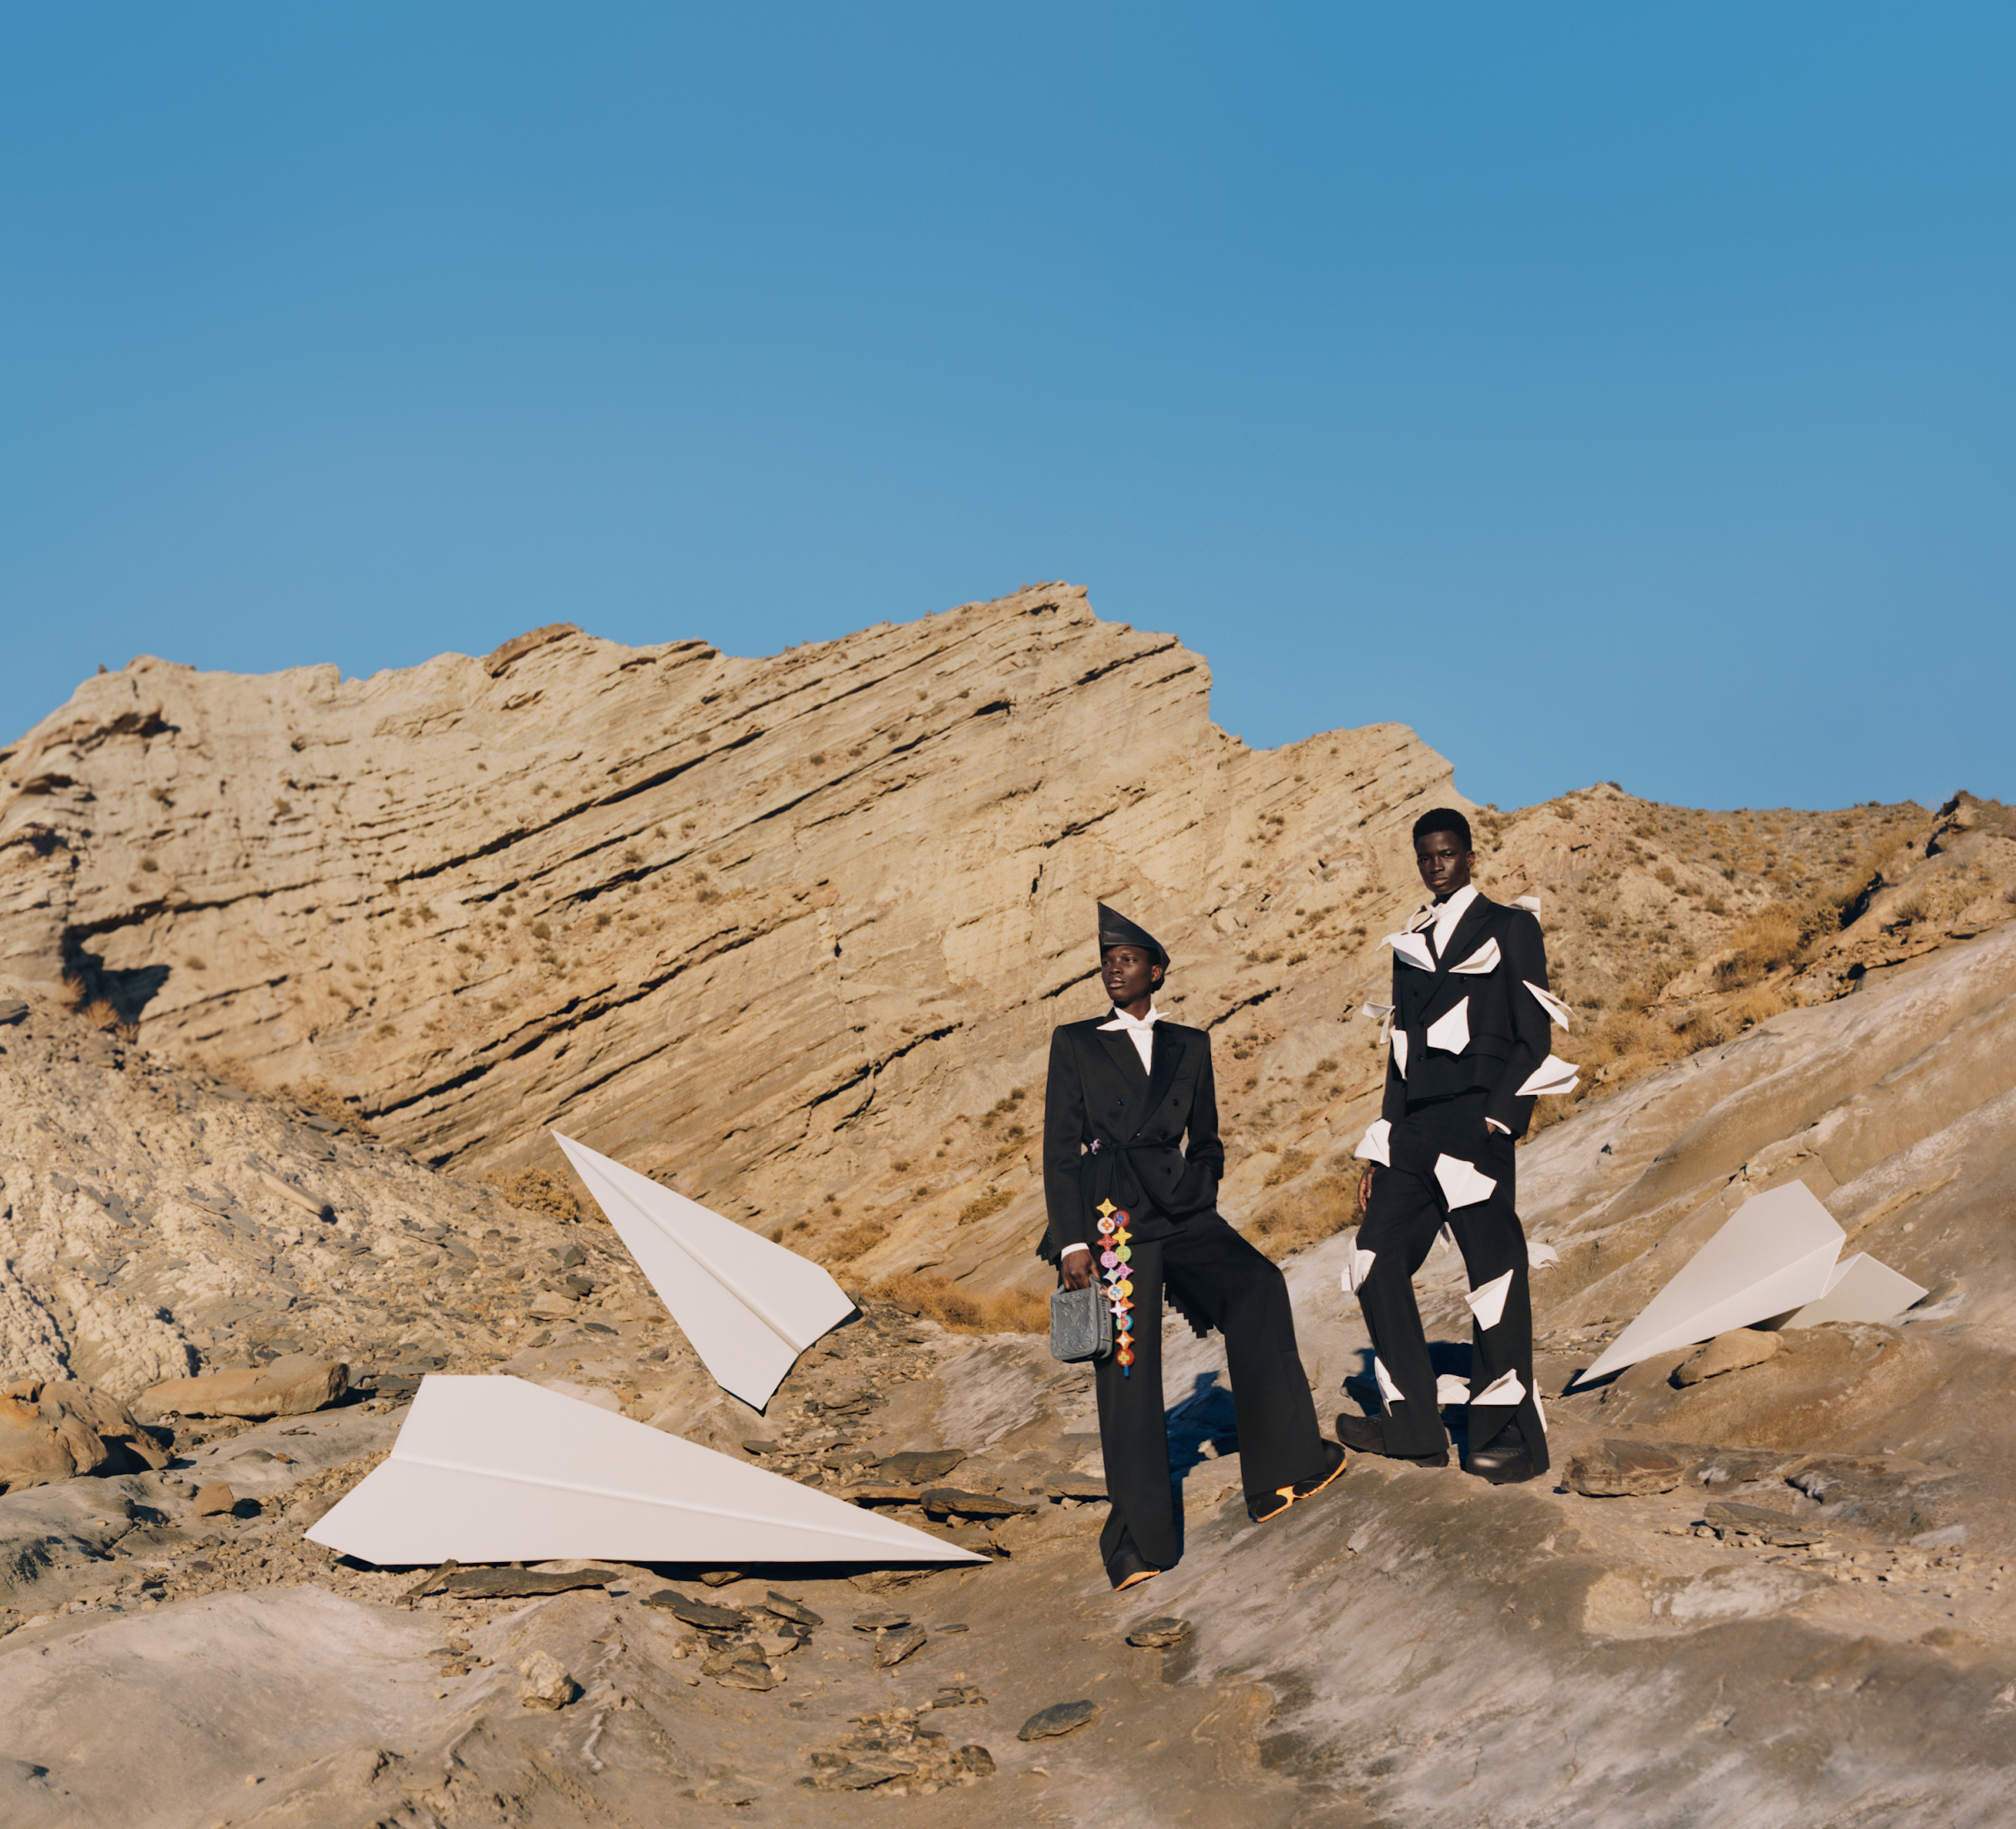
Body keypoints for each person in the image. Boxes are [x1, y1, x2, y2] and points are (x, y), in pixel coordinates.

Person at [1042, 903, 1346, 1590]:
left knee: (1258, 1286)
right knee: (1128, 1371)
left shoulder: (1191, 1044)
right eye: (1106, 960)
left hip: (1182, 1208)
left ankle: (1284, 1472)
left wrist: (1200, 1182)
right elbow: (1058, 1153)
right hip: (1112, 1220)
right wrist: (1070, 1246)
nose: (1113, 969)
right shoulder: (1077, 1042)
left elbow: (1206, 1136)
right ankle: (1136, 1546)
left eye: (1126, 959)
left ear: (1157, 970)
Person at [1342, 808, 1570, 1483]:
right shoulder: (1409, 944)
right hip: (1412, 1132)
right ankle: (1412, 1428)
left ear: (1470, 856)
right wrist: (1379, 1148)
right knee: (1373, 1260)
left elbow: (1535, 1034)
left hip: (1476, 1125)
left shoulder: (1511, 926)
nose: (1437, 864)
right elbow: (1400, 1051)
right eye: (1426, 857)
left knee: (1494, 1275)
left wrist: (1501, 1119)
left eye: (1447, 853)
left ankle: (1504, 1438)